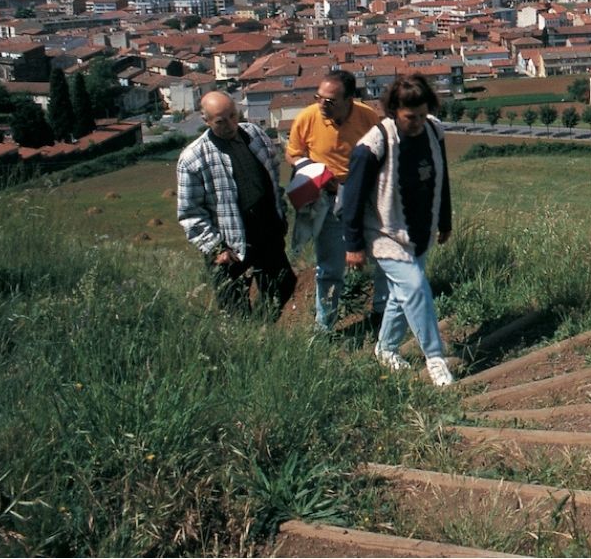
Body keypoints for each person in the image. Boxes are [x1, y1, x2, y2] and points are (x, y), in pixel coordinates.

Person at [340, 74, 455, 385]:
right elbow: (351, 197)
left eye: (421, 114)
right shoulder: (374, 144)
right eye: (409, 117)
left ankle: (386, 348)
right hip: (385, 234)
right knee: (416, 288)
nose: (417, 122)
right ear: (394, 111)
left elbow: (441, 178)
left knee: (402, 294)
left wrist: (444, 221)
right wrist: (353, 244)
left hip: (420, 229)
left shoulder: (434, 129)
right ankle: (435, 358)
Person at [176, 90, 295, 319]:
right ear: (206, 121)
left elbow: (272, 176)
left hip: (264, 227)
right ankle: (245, 343)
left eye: (233, 115)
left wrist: (280, 213)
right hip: (228, 240)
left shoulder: (255, 135)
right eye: (221, 121)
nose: (231, 125)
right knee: (234, 307)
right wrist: (216, 248)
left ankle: (263, 327)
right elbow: (190, 213)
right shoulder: (193, 158)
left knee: (282, 285)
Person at [286, 68, 385, 332]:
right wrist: (314, 172)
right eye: (318, 97)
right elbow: (293, 154)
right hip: (328, 199)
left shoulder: (368, 117)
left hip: (365, 196)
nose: (322, 105)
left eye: (329, 101)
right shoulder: (308, 118)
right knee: (330, 266)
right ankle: (325, 326)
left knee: (382, 256)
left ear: (349, 99)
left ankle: (381, 312)